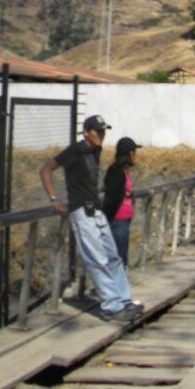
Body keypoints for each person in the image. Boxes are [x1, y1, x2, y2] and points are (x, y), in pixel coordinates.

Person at [39, 115, 142, 323]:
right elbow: (46, 170)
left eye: (103, 131)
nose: (101, 135)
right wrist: (54, 199)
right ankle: (111, 306)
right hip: (81, 211)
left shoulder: (96, 150)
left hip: (96, 210)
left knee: (113, 256)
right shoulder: (75, 151)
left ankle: (123, 300)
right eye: (97, 131)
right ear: (86, 132)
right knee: (97, 259)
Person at [102, 137, 141, 268]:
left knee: (121, 258)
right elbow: (112, 198)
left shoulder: (122, 172)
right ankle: (116, 288)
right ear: (130, 154)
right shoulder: (116, 172)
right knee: (118, 260)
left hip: (123, 221)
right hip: (118, 221)